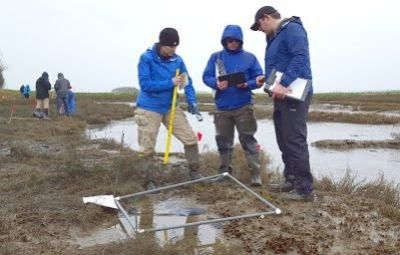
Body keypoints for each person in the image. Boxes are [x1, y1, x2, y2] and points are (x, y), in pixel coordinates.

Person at [251, 6, 314, 201]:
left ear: (266, 18)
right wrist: (267, 79)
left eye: (259, 25)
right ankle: (291, 179)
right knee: (283, 138)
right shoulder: (274, 37)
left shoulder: (292, 29)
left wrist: (284, 82)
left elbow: (300, 57)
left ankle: (304, 190)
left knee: (294, 139)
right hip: (280, 95)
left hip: (294, 92)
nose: (259, 30)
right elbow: (281, 63)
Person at [135, 27, 203, 189]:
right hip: (149, 107)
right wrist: (170, 83)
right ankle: (148, 181)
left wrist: (192, 101)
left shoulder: (178, 60)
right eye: (170, 47)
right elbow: (145, 84)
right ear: (161, 44)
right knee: (147, 146)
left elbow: (187, 83)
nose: (173, 50)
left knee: (190, 138)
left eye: (176, 47)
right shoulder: (146, 59)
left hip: (170, 106)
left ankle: (194, 172)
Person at [202, 25, 264, 186]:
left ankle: (256, 176)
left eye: (236, 41)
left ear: (241, 41)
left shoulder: (250, 58)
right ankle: (224, 174)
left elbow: (260, 78)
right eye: (230, 40)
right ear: (224, 41)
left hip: (244, 107)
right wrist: (215, 84)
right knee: (223, 142)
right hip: (222, 108)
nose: (233, 43)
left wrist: (247, 84)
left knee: (248, 140)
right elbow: (206, 76)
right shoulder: (216, 58)